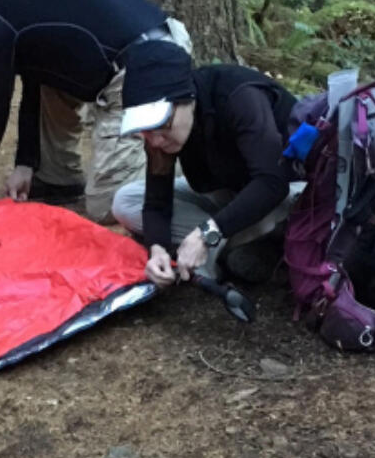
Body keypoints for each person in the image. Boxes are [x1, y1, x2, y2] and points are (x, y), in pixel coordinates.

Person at [0, 0, 192, 223]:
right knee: (48, 87)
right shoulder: (15, 10)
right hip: (156, 43)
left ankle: (191, 172)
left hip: (144, 68)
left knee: (106, 204)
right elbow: (35, 86)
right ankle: (58, 178)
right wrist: (26, 165)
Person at [111, 43, 301, 286]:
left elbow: (273, 182)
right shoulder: (158, 136)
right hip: (224, 193)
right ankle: (229, 244)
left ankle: (224, 243)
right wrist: (157, 248)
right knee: (125, 201)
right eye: (145, 133)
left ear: (187, 100)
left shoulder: (240, 97)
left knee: (264, 219)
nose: (157, 140)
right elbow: (157, 200)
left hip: (279, 196)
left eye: (164, 126)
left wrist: (207, 232)